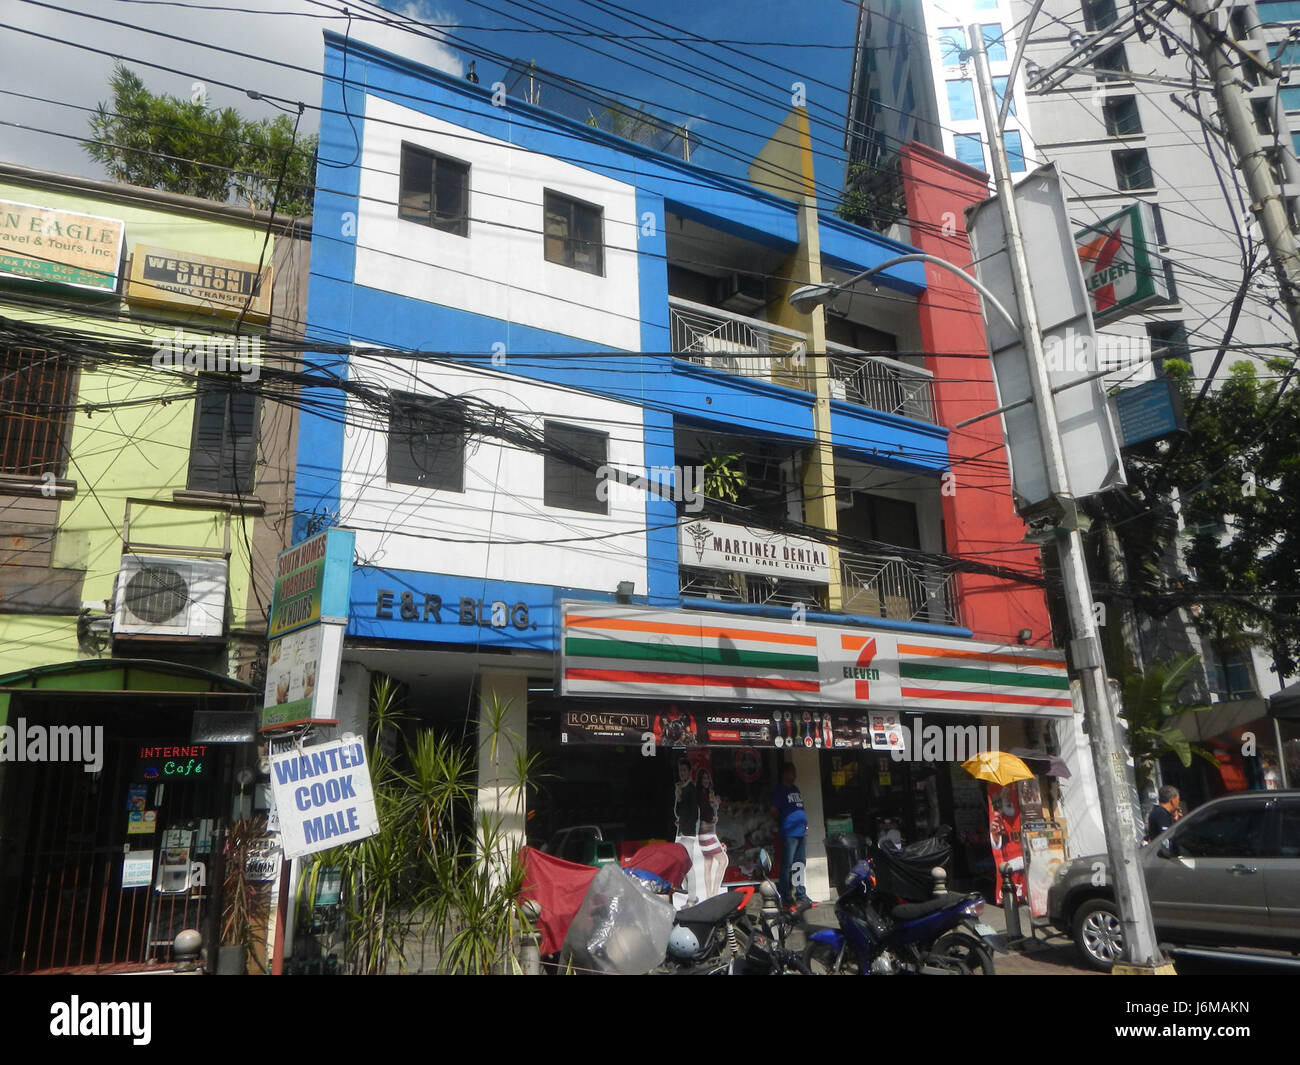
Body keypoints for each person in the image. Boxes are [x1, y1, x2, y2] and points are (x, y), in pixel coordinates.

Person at [769, 763, 808, 907]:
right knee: (787, 865)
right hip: (789, 833)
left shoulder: (795, 789)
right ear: (784, 775)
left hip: (801, 832)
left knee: (799, 864)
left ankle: (801, 894)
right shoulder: (780, 791)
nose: (795, 775)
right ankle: (786, 896)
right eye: (792, 772)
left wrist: (805, 825)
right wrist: (784, 819)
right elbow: (773, 810)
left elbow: (800, 808)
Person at [696, 769, 728, 899]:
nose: (706, 781)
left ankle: (709, 895)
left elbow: (711, 812)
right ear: (700, 780)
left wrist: (715, 805)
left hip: (704, 833)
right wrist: (714, 810)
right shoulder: (701, 794)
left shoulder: (707, 793)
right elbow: (708, 815)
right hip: (706, 832)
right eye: (703, 778)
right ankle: (714, 893)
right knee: (723, 860)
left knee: (708, 864)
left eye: (707, 778)